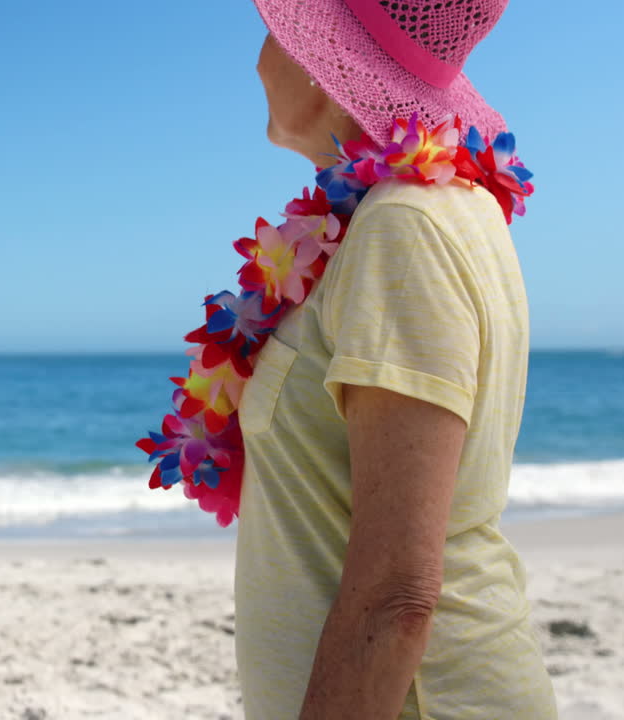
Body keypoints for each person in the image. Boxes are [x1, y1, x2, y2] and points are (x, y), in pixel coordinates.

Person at [233, 0, 559, 718]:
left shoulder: (404, 225)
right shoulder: (410, 211)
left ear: (323, 72)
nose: (259, 55)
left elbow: (399, 594)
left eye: (280, 31)